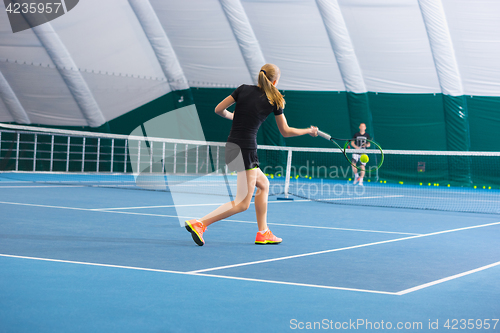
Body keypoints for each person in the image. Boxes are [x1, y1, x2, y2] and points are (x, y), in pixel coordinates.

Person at [185, 63, 318, 246]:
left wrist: (235, 117)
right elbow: (285, 131)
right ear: (275, 81)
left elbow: (218, 110)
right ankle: (200, 223)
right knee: (242, 203)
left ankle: (263, 232)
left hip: (232, 145)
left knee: (264, 184)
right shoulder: (275, 99)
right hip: (245, 150)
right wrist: (308, 131)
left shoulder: (242, 89)